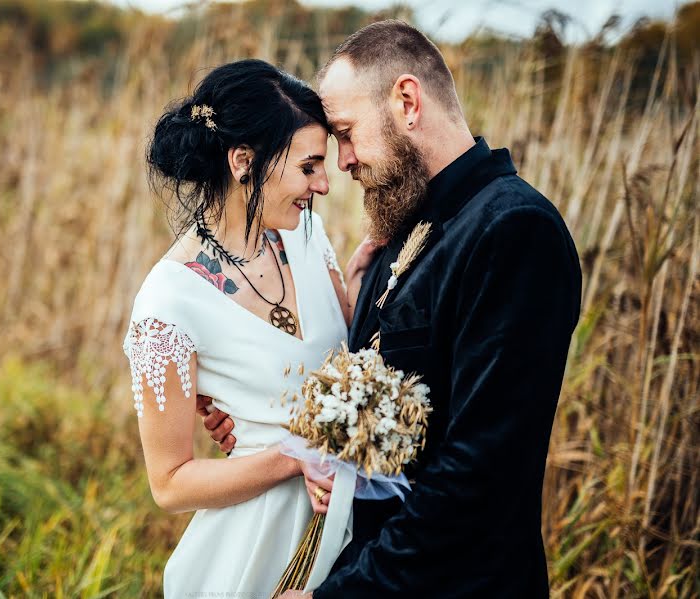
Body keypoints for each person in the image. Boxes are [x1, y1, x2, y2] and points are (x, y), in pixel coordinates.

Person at [206, 21, 583, 598]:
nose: (345, 162)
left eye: (348, 133)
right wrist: (251, 409)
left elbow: (479, 474)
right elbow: (379, 401)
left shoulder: (513, 230)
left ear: (407, 101)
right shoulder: (400, 231)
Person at [122, 58, 362, 597]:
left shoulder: (307, 237)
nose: (323, 184)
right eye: (308, 167)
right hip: (256, 551)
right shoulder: (168, 304)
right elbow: (170, 484)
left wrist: (368, 288)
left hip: (351, 539)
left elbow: (344, 367)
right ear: (243, 162)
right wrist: (291, 455)